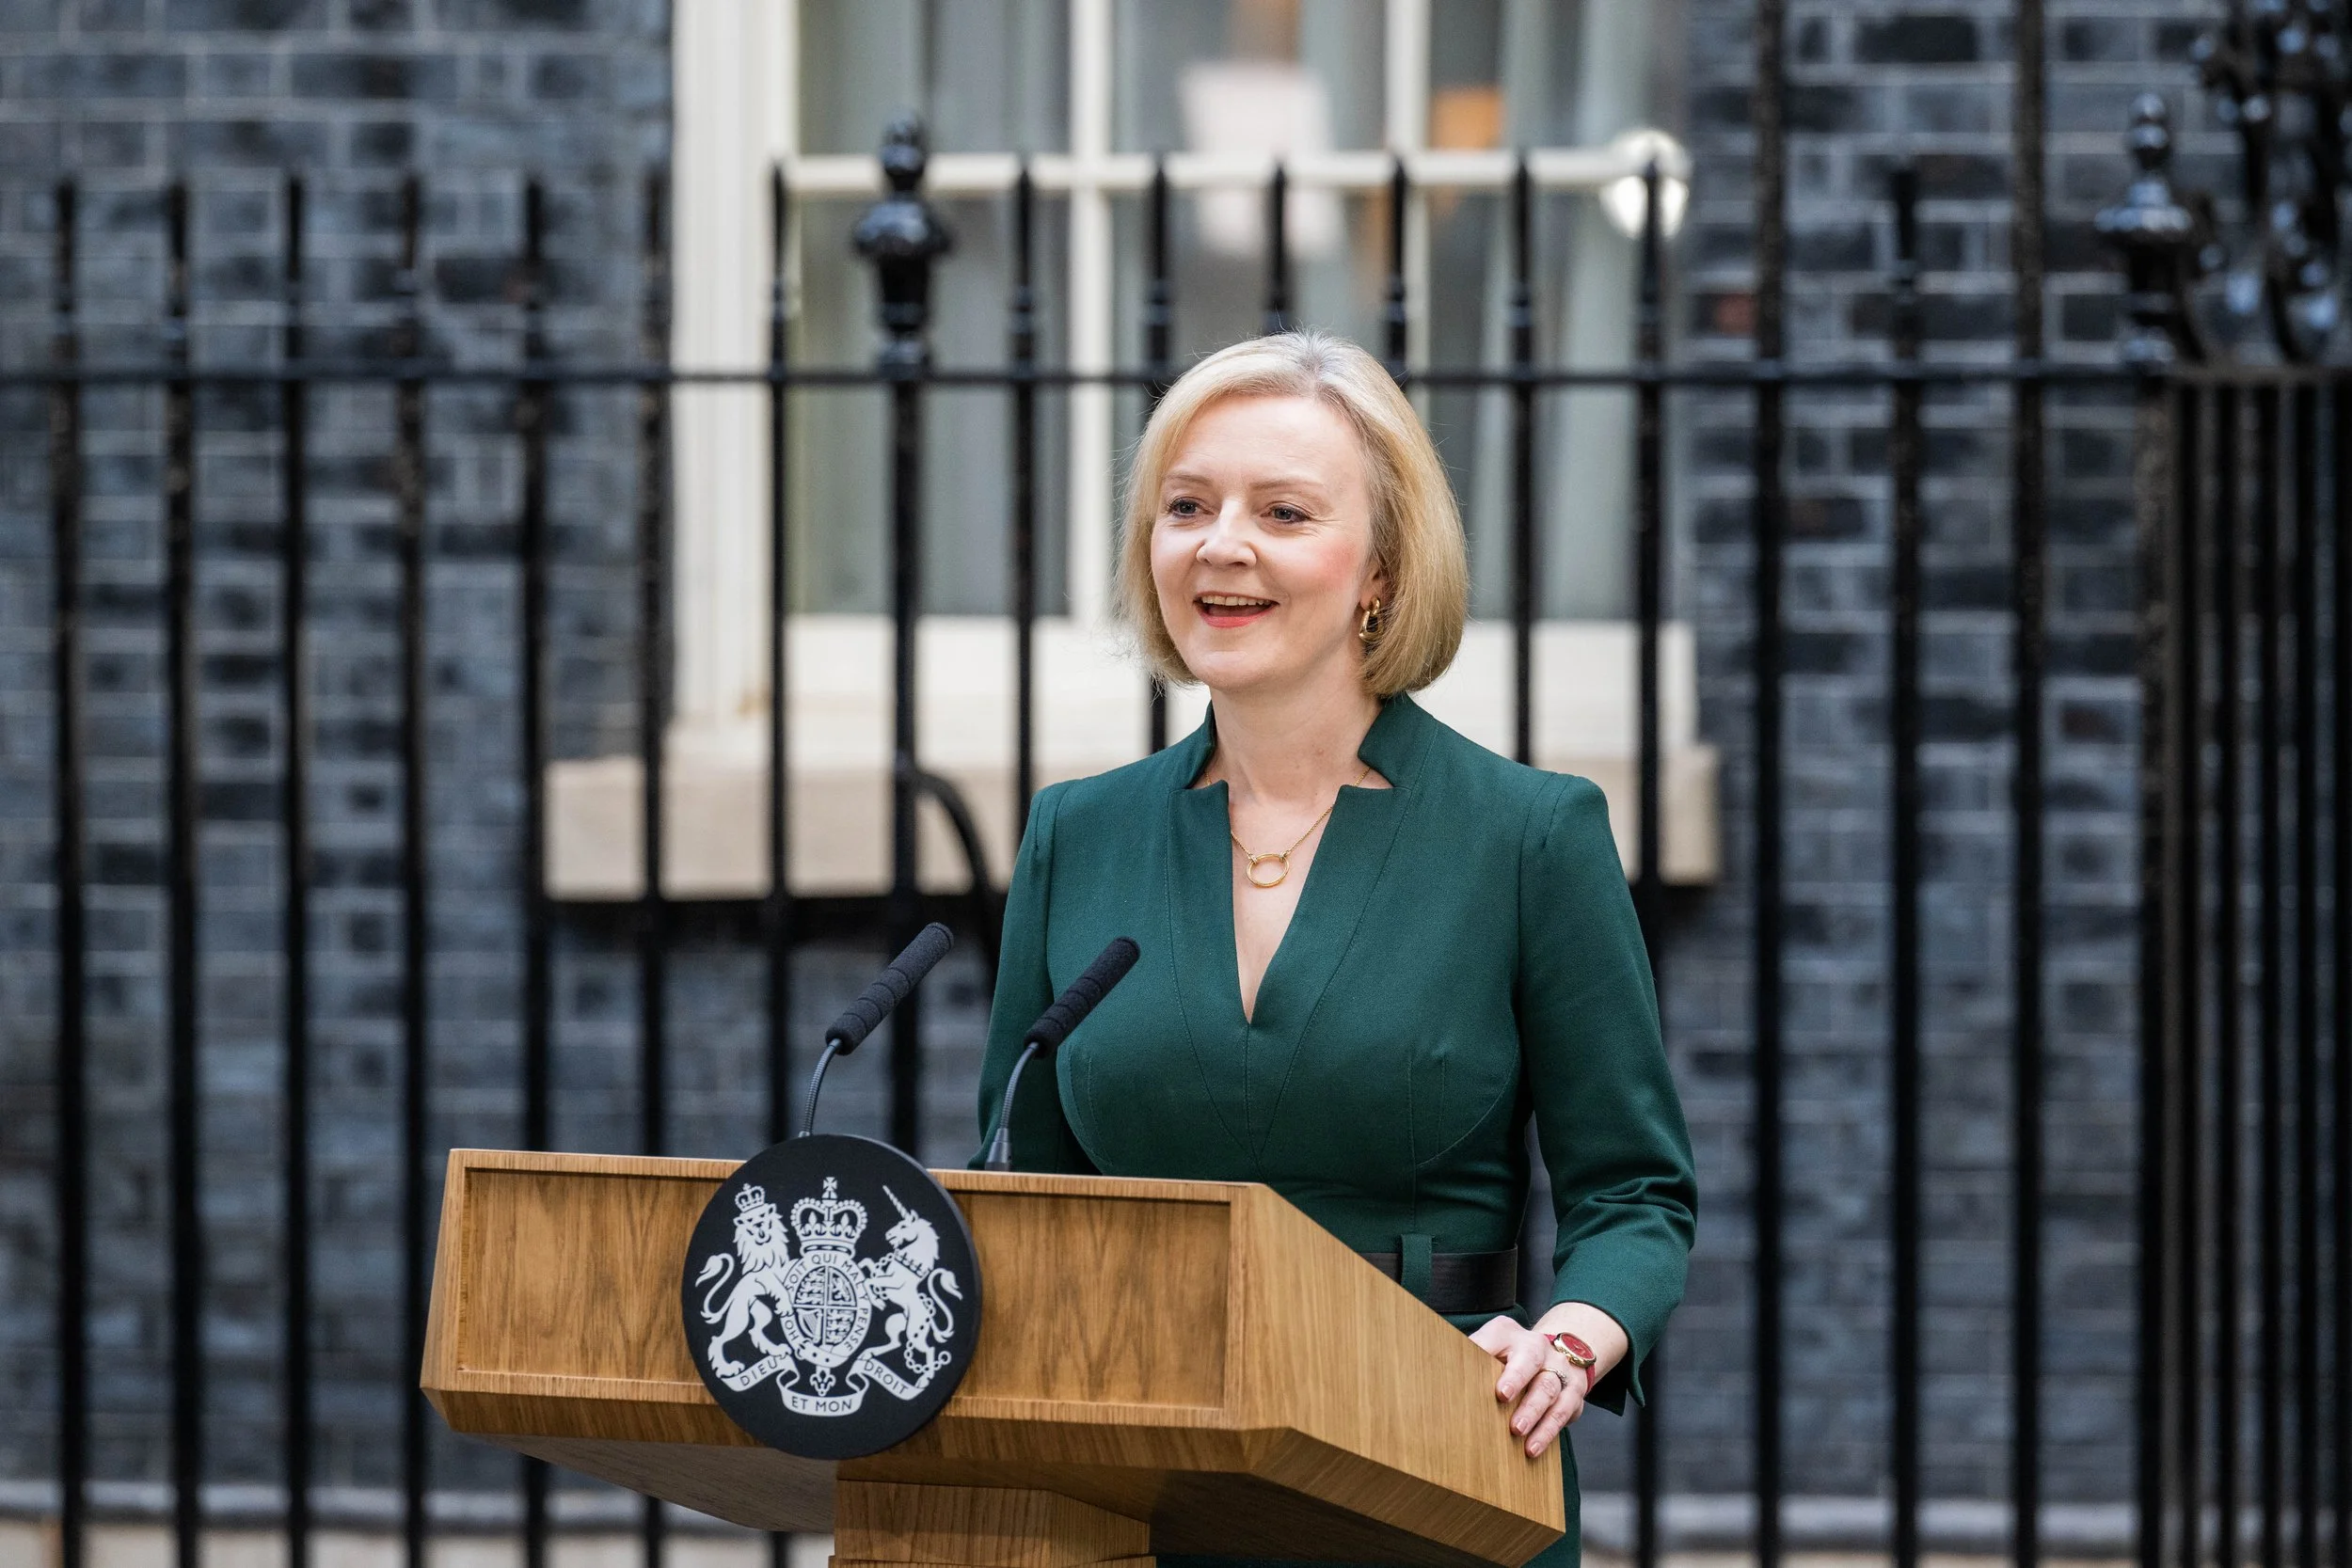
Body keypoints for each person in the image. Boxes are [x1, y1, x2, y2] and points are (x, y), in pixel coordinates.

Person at [975, 329, 1696, 1568]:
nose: (1220, 544)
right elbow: (1018, 1196)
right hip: (1137, 1476)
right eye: (1185, 505)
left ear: (1381, 568)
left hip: (1435, 1449)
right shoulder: (1075, 834)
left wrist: (1570, 1336)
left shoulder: (1528, 835)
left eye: (1284, 510)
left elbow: (1635, 1191)